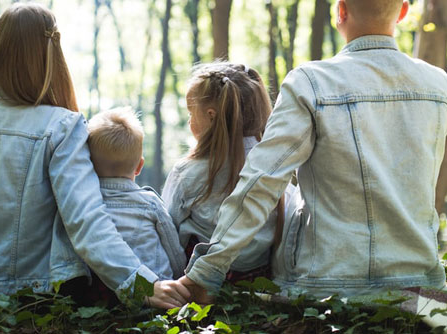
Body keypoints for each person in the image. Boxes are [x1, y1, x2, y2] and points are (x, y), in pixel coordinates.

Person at [179, 0, 447, 301]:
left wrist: (207, 272)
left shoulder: (311, 83)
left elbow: (262, 180)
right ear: (403, 12)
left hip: (325, 285)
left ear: (341, 10)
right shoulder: (439, 85)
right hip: (420, 284)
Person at [0, 3, 189, 309]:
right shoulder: (61, 126)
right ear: (52, 56)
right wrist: (140, 284)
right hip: (45, 297)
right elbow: (86, 220)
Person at [162, 62, 287, 282]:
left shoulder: (188, 172)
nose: (190, 121)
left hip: (200, 281)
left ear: (211, 115)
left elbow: (167, 230)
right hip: (259, 278)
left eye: (191, 113)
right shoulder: (275, 166)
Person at [87, 107, 186, 280]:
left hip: (103, 294)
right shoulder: (150, 204)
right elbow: (173, 250)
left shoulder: (84, 204)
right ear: (140, 166)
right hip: (156, 289)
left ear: (88, 164)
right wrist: (179, 277)